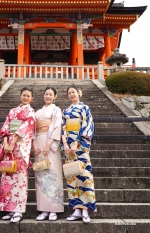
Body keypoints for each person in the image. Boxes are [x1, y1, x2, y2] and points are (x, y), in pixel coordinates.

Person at [0, 87, 36, 223]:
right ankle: (9, 209)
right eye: (23, 95)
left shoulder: (31, 112)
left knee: (20, 179)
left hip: (20, 148)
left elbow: (27, 128)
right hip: (9, 148)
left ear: (32, 99)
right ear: (20, 96)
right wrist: (6, 143)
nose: (25, 98)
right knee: (8, 177)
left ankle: (18, 210)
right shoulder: (12, 111)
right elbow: (6, 127)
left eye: (28, 96)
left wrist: (13, 143)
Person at [62, 85, 97, 223]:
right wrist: (65, 144)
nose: (71, 95)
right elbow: (63, 128)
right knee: (71, 177)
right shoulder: (66, 111)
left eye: (73, 92)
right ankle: (76, 208)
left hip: (80, 146)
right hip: (68, 149)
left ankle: (86, 209)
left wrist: (76, 143)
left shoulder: (85, 108)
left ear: (78, 93)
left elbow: (87, 126)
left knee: (84, 175)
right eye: (69, 93)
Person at [32, 87, 64, 221]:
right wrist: (34, 144)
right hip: (38, 141)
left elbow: (57, 127)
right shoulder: (37, 112)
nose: (48, 96)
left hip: (50, 143)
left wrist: (49, 144)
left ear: (55, 96)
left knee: (53, 173)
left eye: (51, 94)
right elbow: (32, 128)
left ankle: (54, 209)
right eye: (46, 94)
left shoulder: (56, 110)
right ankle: (43, 209)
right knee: (41, 174)